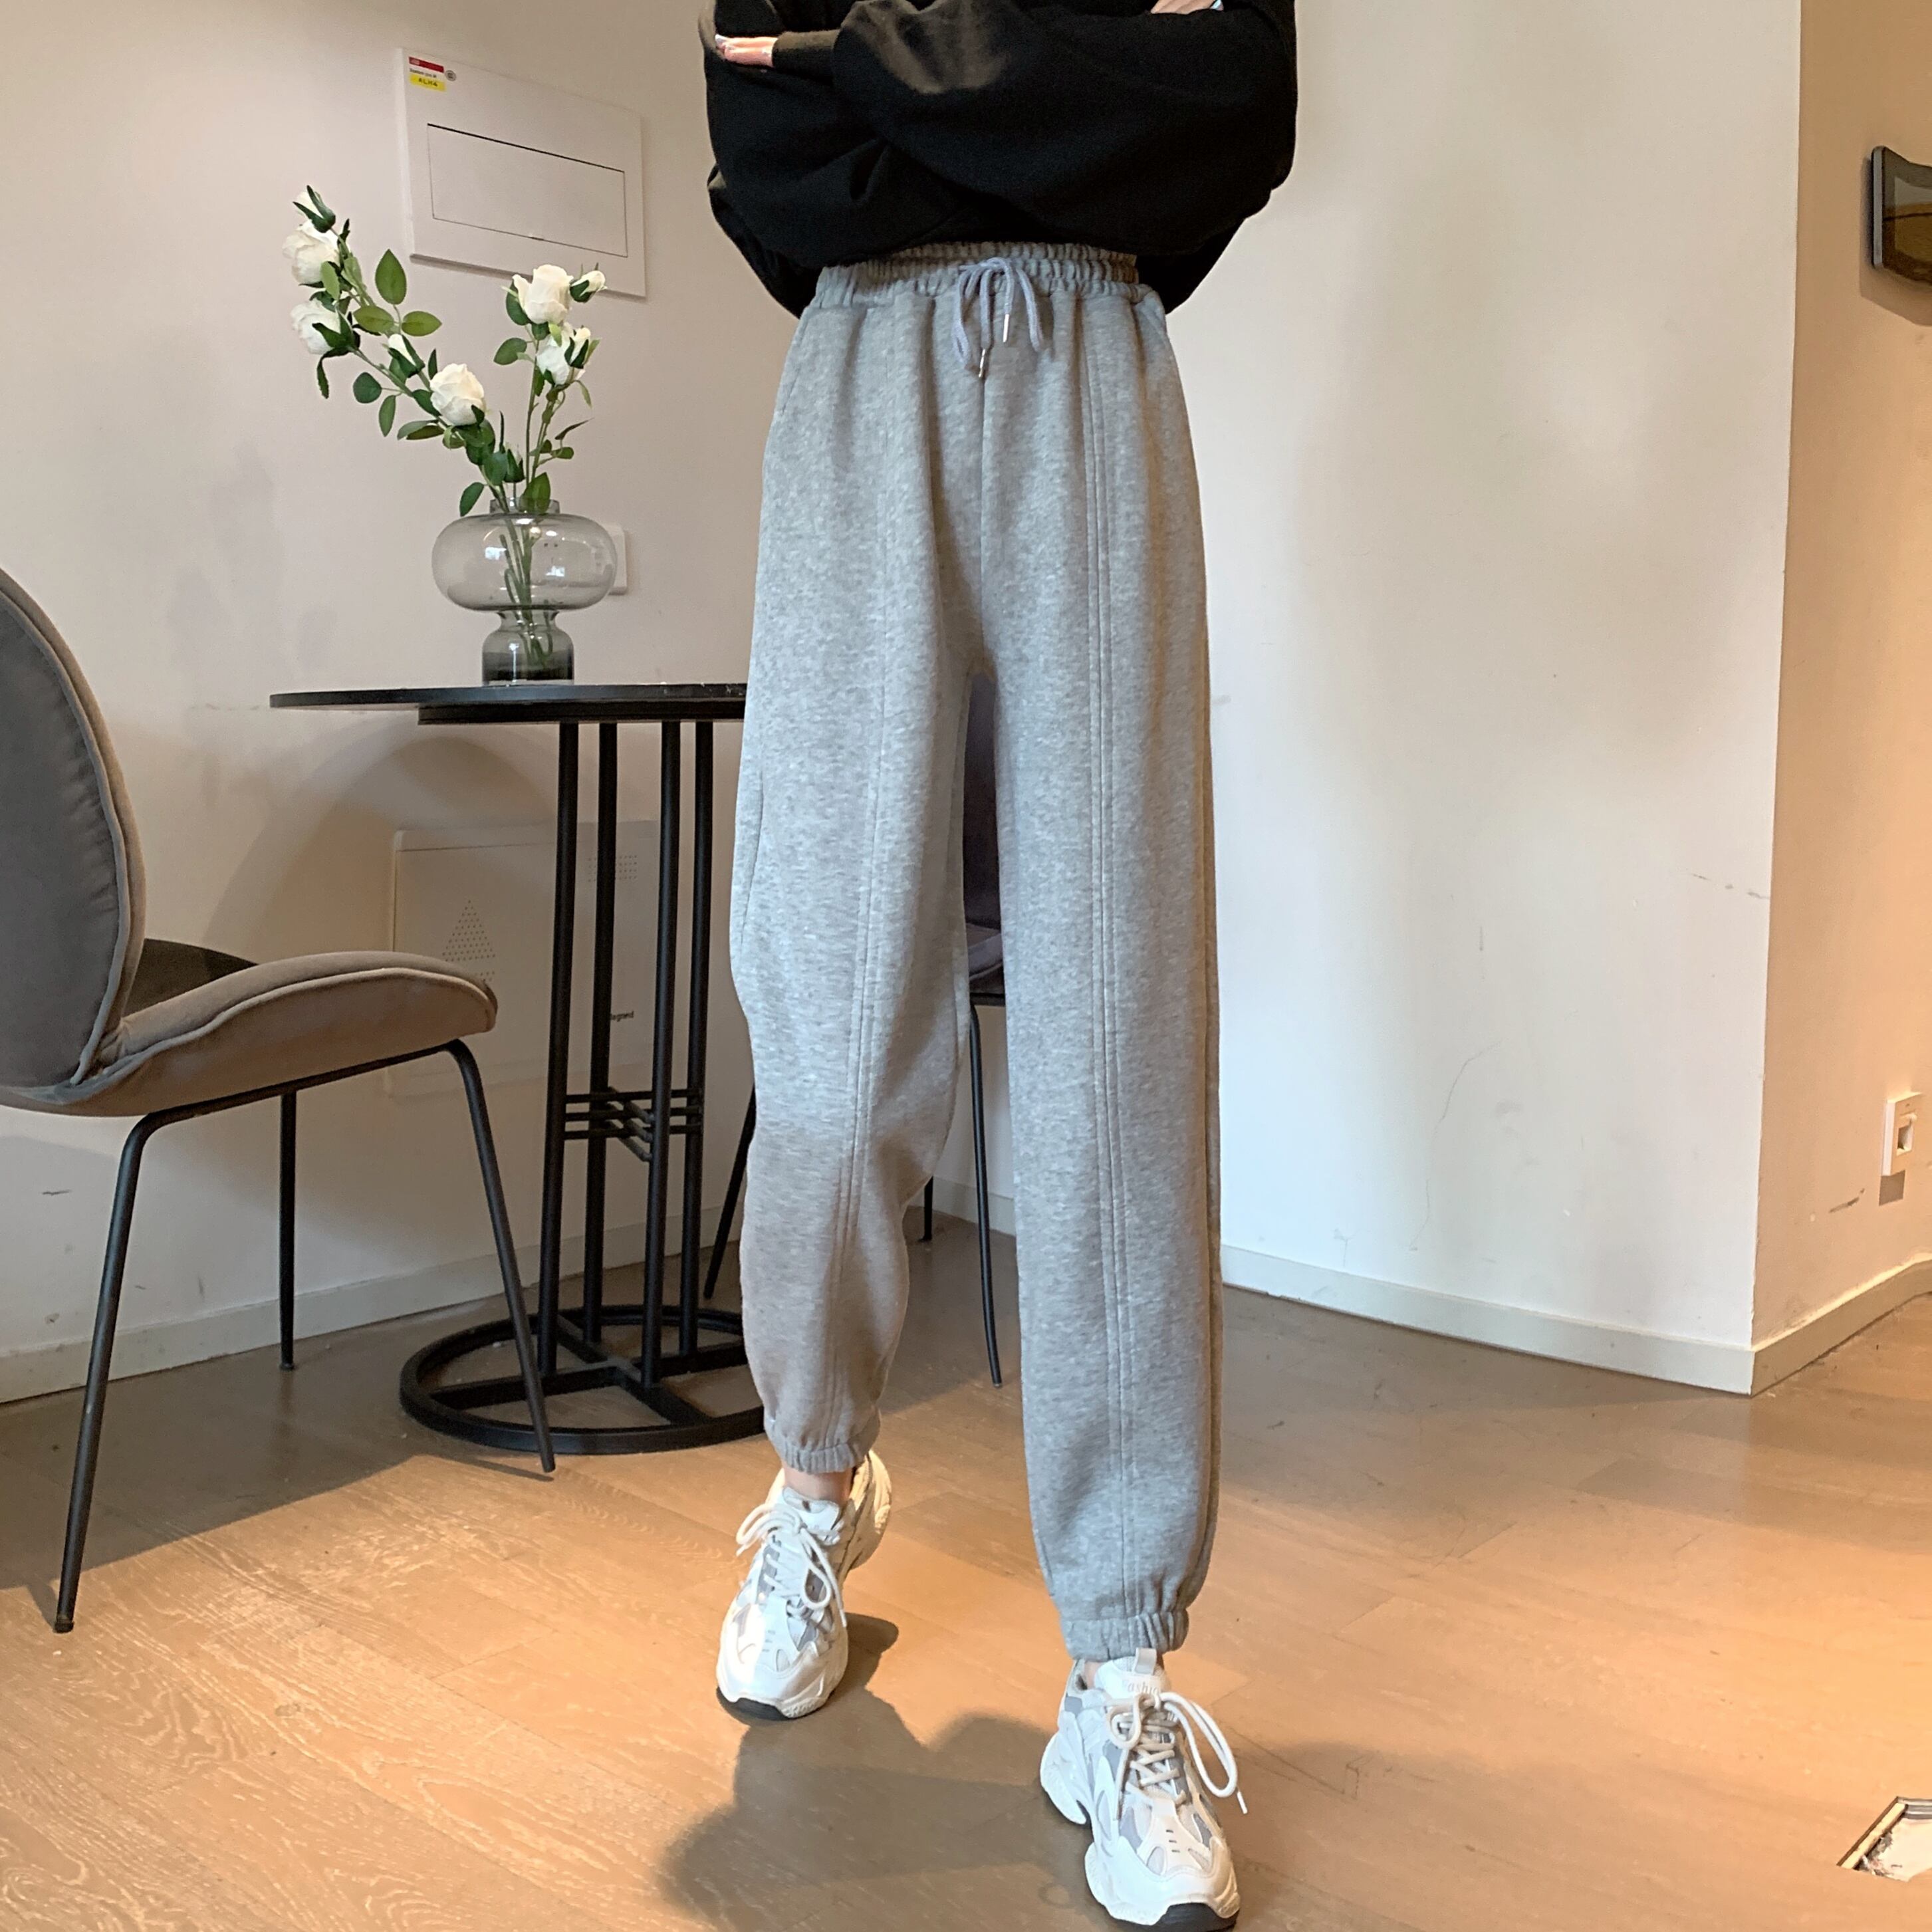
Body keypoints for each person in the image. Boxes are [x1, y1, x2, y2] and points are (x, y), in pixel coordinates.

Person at [701, 3, 1296, 1924]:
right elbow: (765, 153)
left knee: (1119, 1028)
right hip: (857, 366)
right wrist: (1059, 86)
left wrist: (864, 55)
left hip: (1097, 365)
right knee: (829, 1020)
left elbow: (1232, 112)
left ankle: (1118, 1667)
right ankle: (813, 1484)